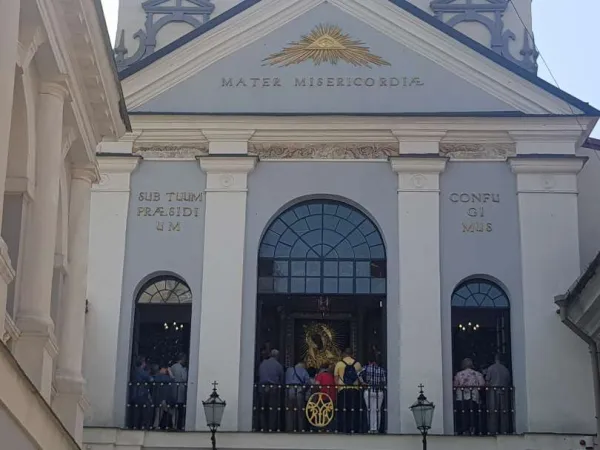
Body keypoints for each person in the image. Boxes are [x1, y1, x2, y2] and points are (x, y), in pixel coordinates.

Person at [453, 358, 485, 435]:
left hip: (461, 397)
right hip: (473, 397)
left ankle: (464, 429)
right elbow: (482, 384)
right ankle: (472, 429)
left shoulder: (459, 374)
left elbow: (455, 385)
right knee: (472, 413)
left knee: (463, 414)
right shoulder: (477, 374)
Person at [334, 348, 362, 434]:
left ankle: (343, 428)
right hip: (354, 390)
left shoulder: (339, 364)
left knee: (343, 409)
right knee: (353, 409)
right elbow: (360, 377)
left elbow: (336, 378)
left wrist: (338, 389)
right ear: (352, 354)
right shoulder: (357, 364)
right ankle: (354, 427)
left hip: (343, 389)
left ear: (344, 354)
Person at [257, 349, 284, 432]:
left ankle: (262, 426)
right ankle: (271, 427)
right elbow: (282, 379)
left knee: (262, 408)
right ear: (277, 356)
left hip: (262, 387)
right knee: (272, 408)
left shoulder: (263, 364)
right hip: (273, 388)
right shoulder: (278, 365)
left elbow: (258, 375)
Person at [485, 354, 512, 434]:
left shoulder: (491, 368)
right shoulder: (506, 369)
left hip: (493, 392)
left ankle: (492, 430)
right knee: (504, 412)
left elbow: (487, 381)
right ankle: (504, 430)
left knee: (493, 412)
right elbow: (508, 381)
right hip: (504, 392)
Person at [360, 354, 387, 434]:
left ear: (369, 362)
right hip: (379, 392)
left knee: (369, 409)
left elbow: (358, 374)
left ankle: (370, 428)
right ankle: (376, 428)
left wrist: (363, 383)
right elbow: (384, 381)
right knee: (377, 410)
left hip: (369, 391)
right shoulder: (381, 370)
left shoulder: (366, 368)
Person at [284, 361, 311, 432]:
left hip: (289, 390)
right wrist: (303, 390)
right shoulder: (303, 370)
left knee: (289, 410)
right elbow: (308, 382)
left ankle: (289, 428)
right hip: (299, 390)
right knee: (300, 411)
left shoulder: (288, 370)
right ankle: (300, 428)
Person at [130, 356, 153, 430]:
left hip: (135, 394)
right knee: (146, 410)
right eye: (144, 362)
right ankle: (144, 426)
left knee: (137, 411)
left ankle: (135, 426)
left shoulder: (134, 371)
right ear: (143, 363)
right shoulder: (141, 371)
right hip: (141, 394)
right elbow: (151, 379)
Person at [170, 353, 188, 430]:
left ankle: (173, 424)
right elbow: (184, 378)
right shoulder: (181, 368)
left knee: (173, 410)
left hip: (172, 389)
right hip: (180, 390)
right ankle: (178, 426)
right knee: (180, 409)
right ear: (182, 359)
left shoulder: (172, 367)